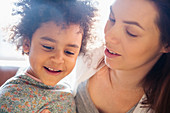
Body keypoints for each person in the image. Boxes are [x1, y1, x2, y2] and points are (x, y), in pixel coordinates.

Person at [0, 0, 96, 112]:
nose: (58, 59)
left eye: (69, 52)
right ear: (27, 44)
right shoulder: (10, 98)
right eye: (48, 47)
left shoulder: (67, 88)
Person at [74, 0, 170, 113]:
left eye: (131, 32)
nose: (109, 36)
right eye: (112, 19)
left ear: (166, 44)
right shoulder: (80, 54)